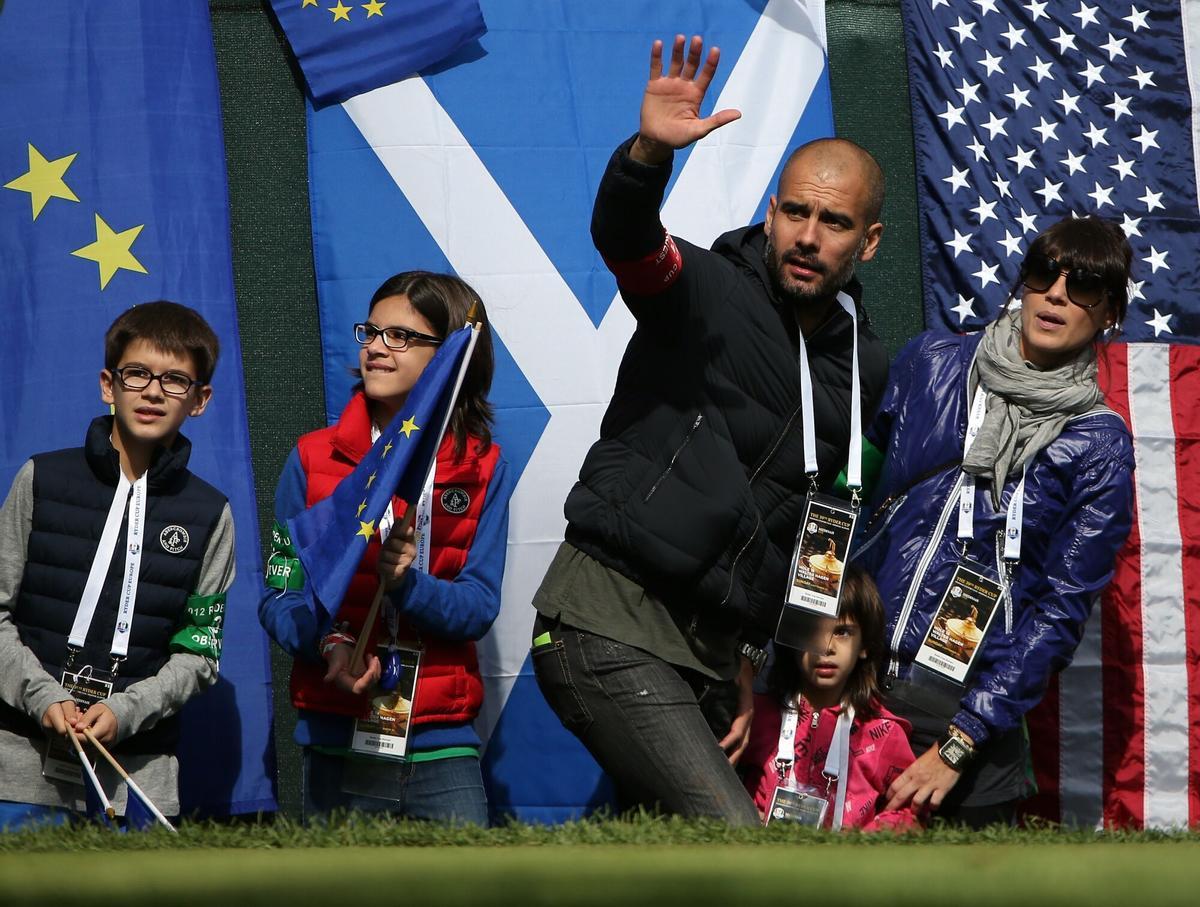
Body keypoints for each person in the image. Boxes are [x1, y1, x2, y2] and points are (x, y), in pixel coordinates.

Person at [531, 34, 890, 824]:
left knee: (645, 855)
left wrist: (753, 657)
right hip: (609, 621)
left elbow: (815, 533)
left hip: (710, 654)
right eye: (795, 210)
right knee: (732, 841)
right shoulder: (706, 290)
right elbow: (628, 239)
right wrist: (646, 157)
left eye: (833, 222)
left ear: (867, 242)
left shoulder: (867, 370)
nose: (807, 234)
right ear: (770, 213)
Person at [855, 215, 1136, 827]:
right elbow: (852, 497)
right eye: (1044, 274)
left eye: (1083, 284)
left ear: (1109, 312)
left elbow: (1060, 611)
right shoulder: (930, 361)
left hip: (967, 713)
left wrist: (960, 743)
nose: (1056, 294)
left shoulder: (1099, 445)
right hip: (860, 679)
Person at [259, 271, 513, 825]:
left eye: (400, 336)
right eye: (371, 332)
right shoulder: (311, 458)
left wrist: (408, 586)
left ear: (448, 357)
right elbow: (281, 597)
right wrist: (328, 642)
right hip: (336, 733)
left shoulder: (483, 466)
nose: (375, 347)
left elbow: (478, 606)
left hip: (443, 740)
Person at [0, 302, 233, 829]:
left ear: (200, 400)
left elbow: (200, 654)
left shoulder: (210, 513)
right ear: (109, 384)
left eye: (176, 380)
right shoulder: (41, 478)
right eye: (137, 374)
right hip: (18, 772)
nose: (153, 391)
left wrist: (127, 711)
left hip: (136, 779)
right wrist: (43, 696)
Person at [741, 563, 918, 831]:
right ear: (791, 639)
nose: (826, 647)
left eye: (842, 632)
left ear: (865, 646)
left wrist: (863, 844)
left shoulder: (886, 733)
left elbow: (908, 812)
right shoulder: (757, 715)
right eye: (812, 631)